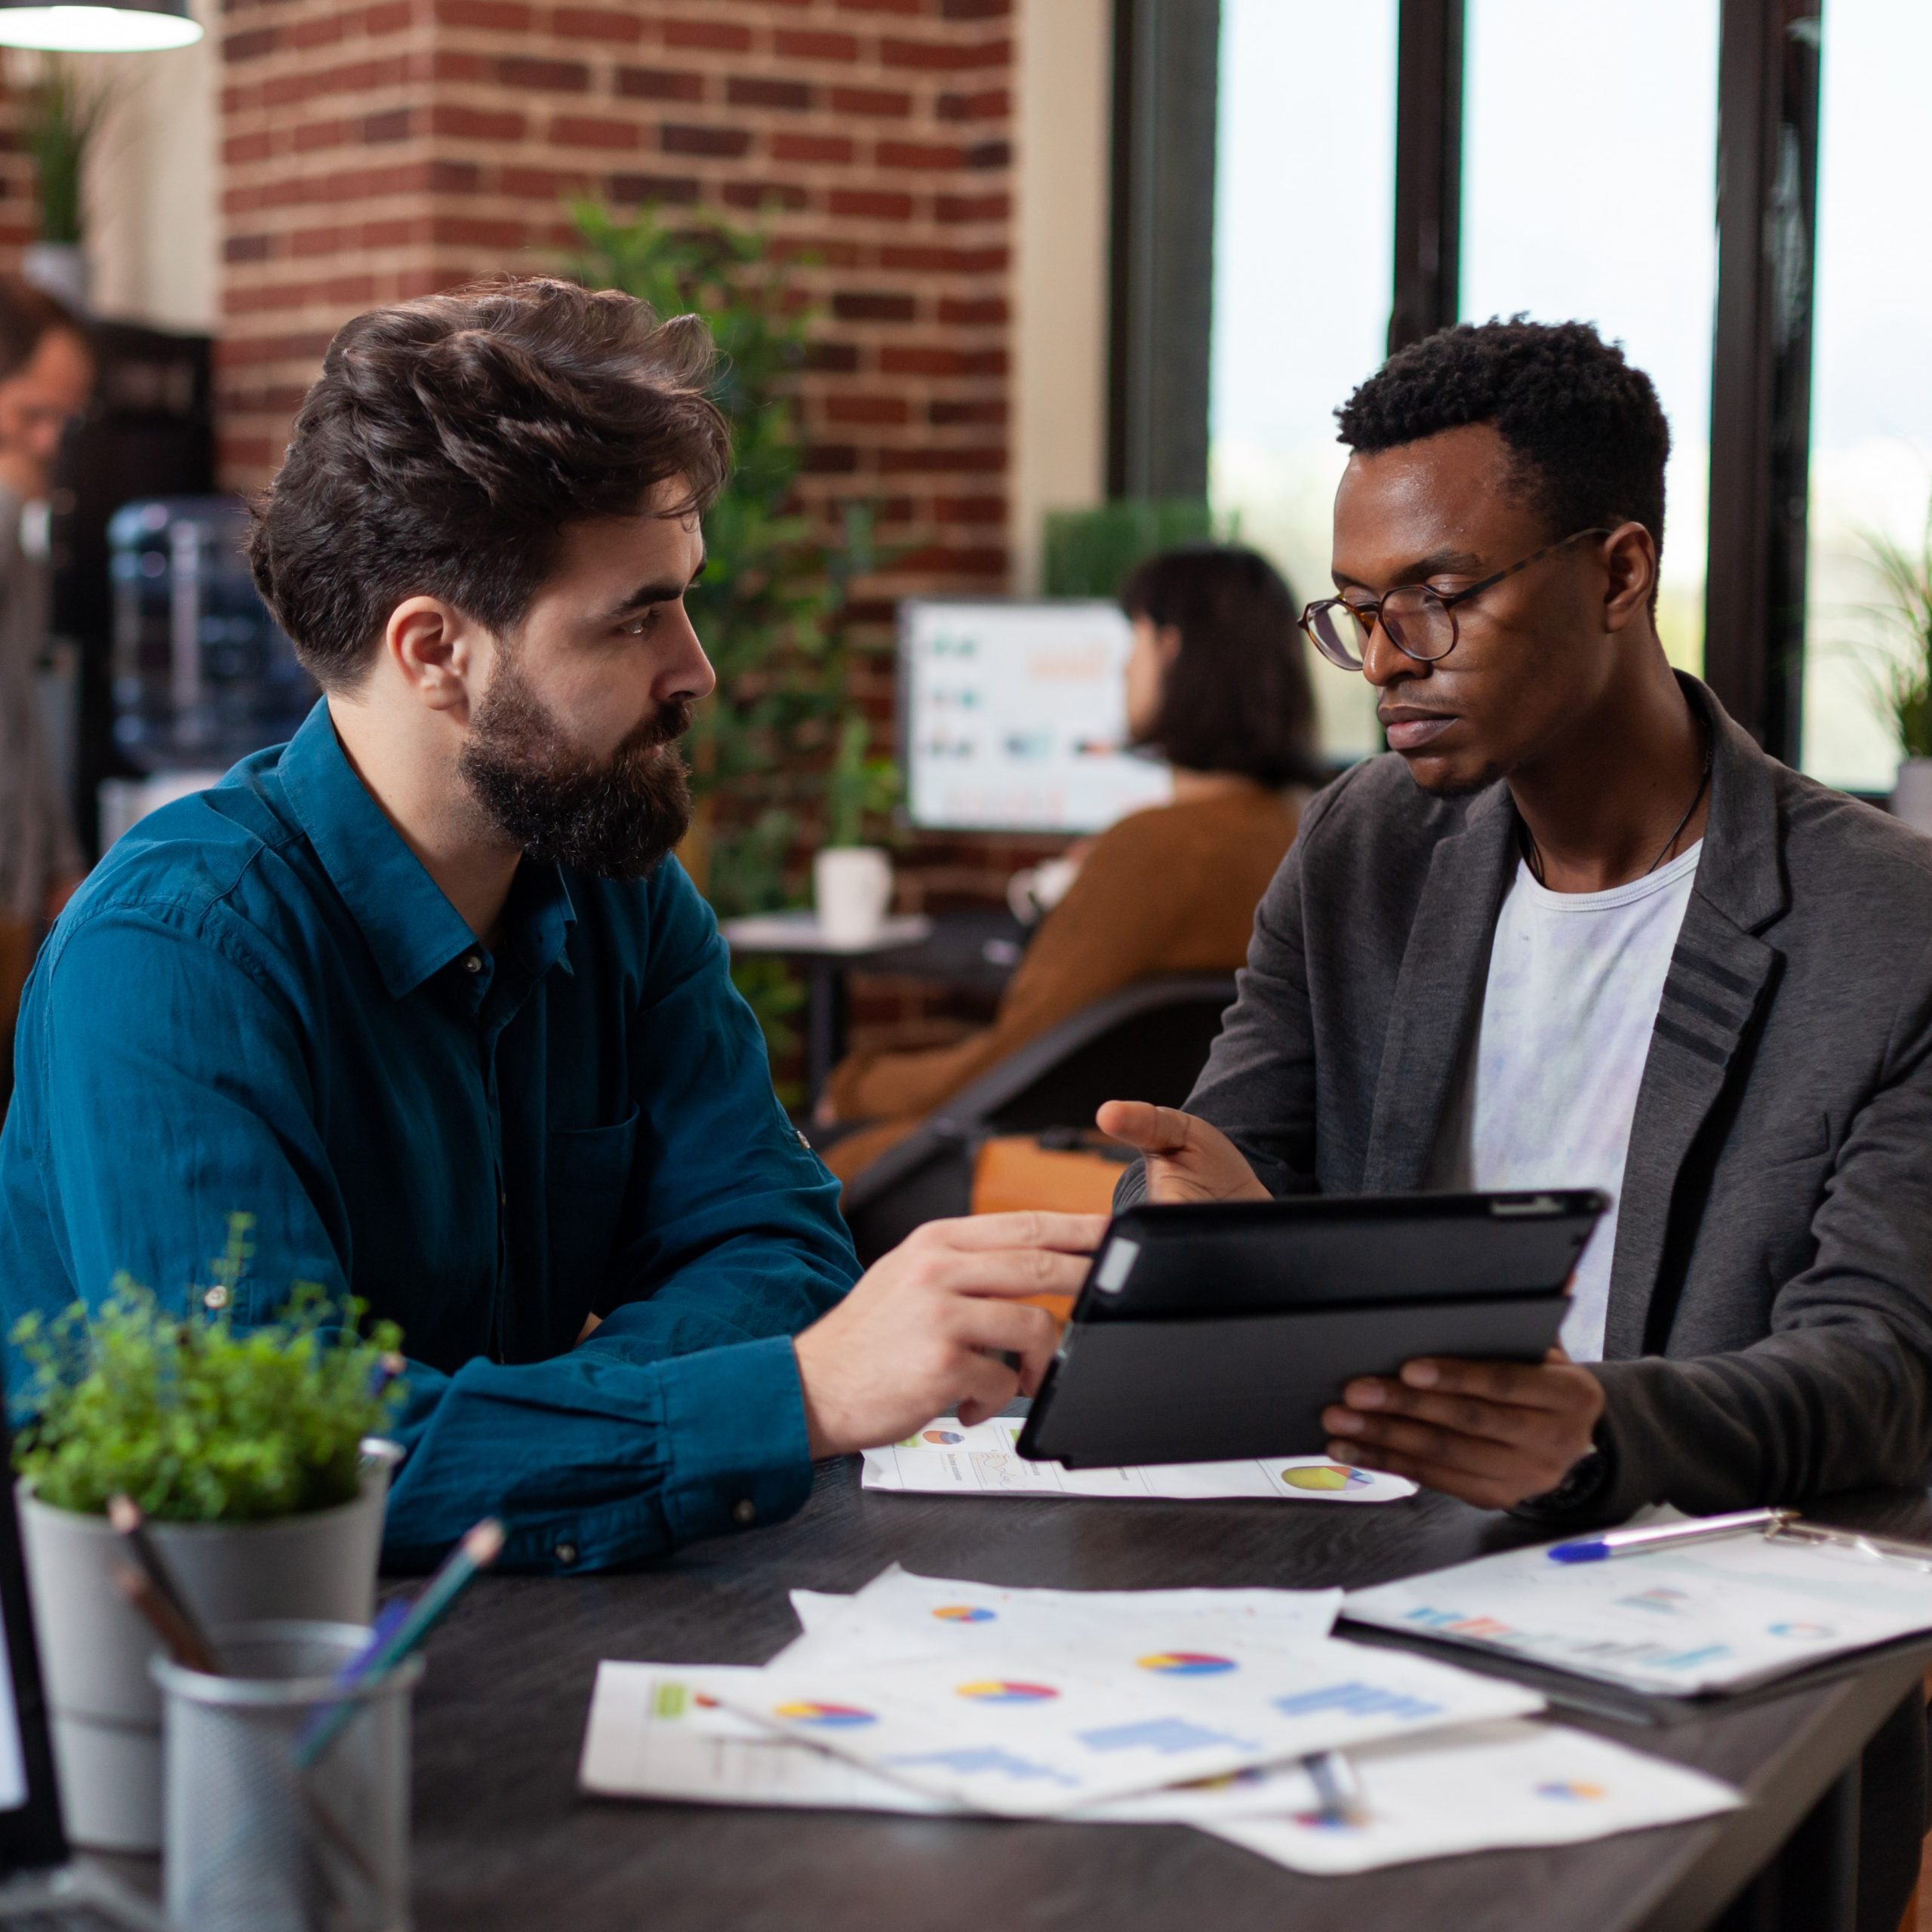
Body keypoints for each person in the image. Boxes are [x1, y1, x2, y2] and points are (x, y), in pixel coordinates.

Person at [0, 276, 1096, 1571]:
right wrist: (784, 1398)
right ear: (433, 653)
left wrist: (530, 1429)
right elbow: (280, 1460)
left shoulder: (618, 887)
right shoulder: (176, 954)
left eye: (682, 598)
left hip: (523, 1619)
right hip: (194, 1686)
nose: (698, 669)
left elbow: (775, 1251)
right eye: (634, 616)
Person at [1101, 321, 1932, 1927]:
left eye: (1439, 594)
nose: (1390, 652)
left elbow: (1883, 1371)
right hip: (1346, 1602)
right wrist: (1197, 1228)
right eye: (1357, 612)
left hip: (1698, 1650)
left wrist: (1591, 1425)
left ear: (1618, 572)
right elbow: (1236, 1169)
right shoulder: (1361, 847)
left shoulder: (1884, 925)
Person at [817, 545, 1321, 1186]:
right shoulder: (1302, 830)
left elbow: (1011, 1057)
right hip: (1207, 1173)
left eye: (1133, 642)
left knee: (810, 1155)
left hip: (1057, 1162)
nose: (1122, 669)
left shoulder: (1150, 852)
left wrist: (859, 1085)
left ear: (1172, 650)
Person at [0, 281, 94, 1115]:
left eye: (62, 420)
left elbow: (21, 716)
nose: (48, 441)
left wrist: (59, 860)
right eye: (32, 413)